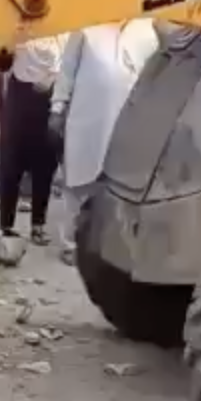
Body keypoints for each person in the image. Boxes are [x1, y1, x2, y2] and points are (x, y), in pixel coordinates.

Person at [48, 20, 161, 264]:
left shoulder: (148, 29)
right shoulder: (87, 26)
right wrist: (58, 108)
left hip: (129, 122)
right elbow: (67, 69)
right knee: (78, 182)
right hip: (86, 118)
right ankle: (71, 245)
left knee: (120, 188)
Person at [0, 35, 67, 245]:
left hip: (49, 101)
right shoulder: (20, 29)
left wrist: (54, 81)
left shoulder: (65, 34)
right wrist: (5, 49)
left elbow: (69, 67)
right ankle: (6, 224)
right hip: (19, 99)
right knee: (11, 163)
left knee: (44, 165)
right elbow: (2, 65)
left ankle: (38, 225)